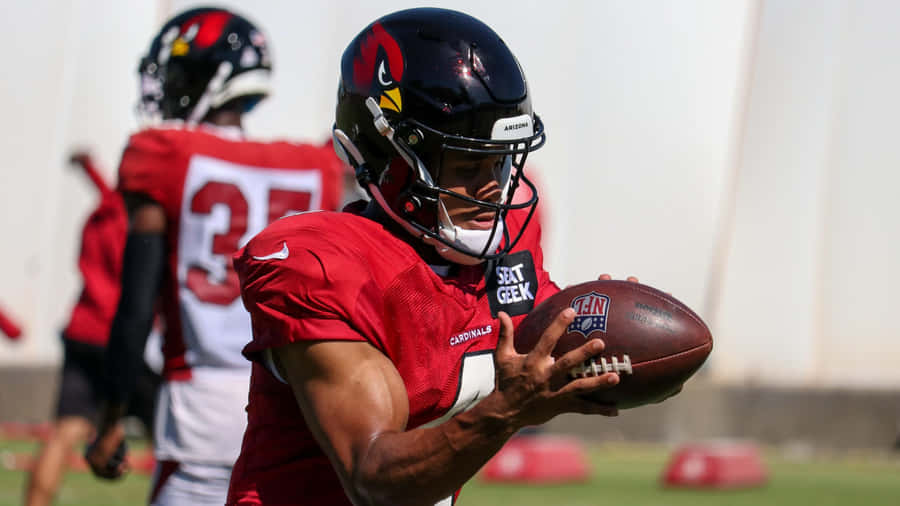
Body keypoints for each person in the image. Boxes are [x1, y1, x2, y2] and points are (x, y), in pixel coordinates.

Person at [225, 8, 628, 506]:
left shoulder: (502, 262)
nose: (491, 187)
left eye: (500, 162)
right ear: (388, 160)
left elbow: (558, 346)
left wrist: (617, 332)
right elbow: (375, 478)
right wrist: (509, 409)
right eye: (465, 164)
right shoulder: (324, 268)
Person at [84, 7, 345, 506]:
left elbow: (136, 306)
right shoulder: (316, 168)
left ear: (214, 77)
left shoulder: (165, 154)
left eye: (180, 75)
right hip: (296, 410)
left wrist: (111, 420)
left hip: (199, 412)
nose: (171, 88)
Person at [25, 153, 160, 506]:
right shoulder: (140, 218)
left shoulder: (97, 217)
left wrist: (88, 167)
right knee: (169, 435)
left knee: (64, 430)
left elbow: (106, 192)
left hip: (82, 331)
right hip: (125, 337)